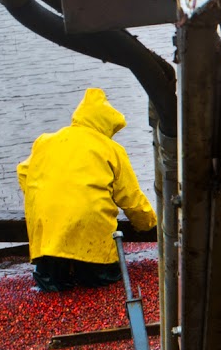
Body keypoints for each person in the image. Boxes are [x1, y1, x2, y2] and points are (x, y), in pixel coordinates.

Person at [17, 87, 157, 292]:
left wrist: (40, 199)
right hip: (91, 232)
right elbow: (131, 198)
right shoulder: (111, 149)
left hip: (48, 234)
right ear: (106, 124)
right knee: (100, 284)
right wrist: (148, 224)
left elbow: (23, 172)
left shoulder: (45, 141)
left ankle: (58, 283)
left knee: (53, 287)